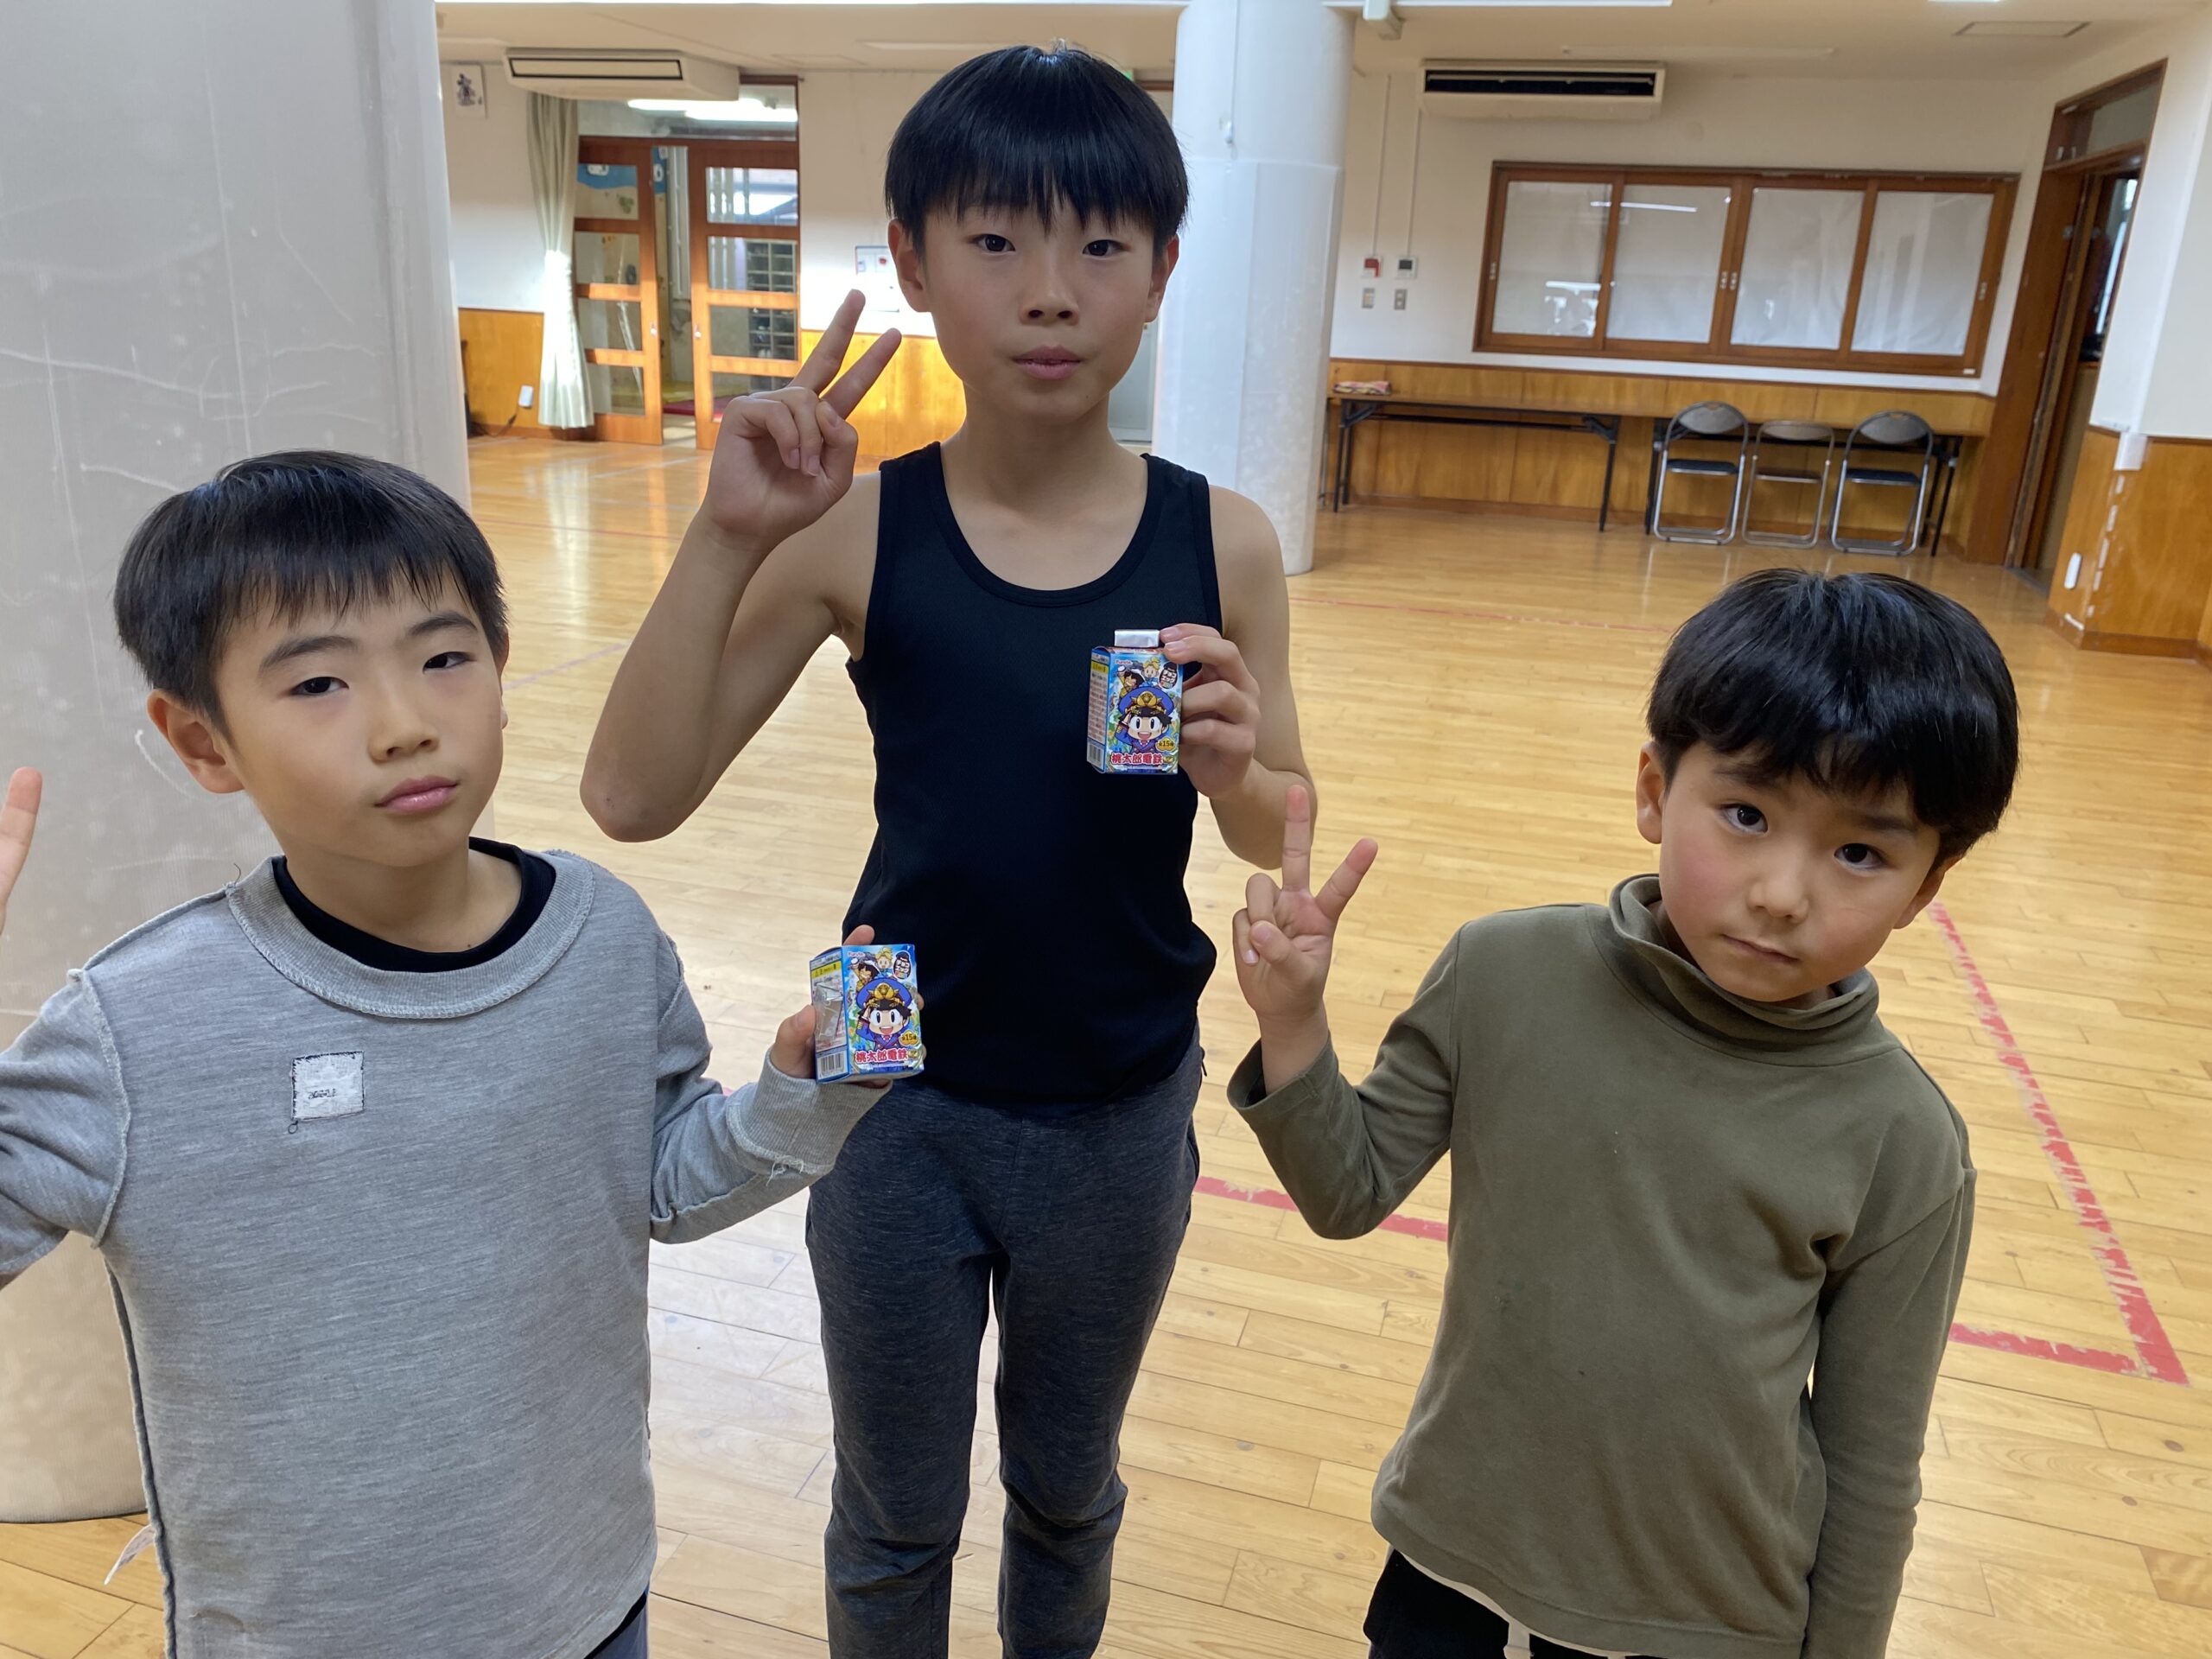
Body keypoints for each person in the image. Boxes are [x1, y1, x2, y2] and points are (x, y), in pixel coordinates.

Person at [581, 43, 1313, 1659]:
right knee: (893, 1508)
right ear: (913, 264)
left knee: (1066, 1490)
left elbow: (1278, 823)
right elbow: (632, 797)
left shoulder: (1222, 538)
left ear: (1162, 273)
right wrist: (727, 533)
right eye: (995, 240)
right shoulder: (857, 524)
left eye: (1100, 246)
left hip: (1119, 1080)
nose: (1050, 291)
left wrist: (1238, 764)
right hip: (881, 1064)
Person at [0, 452, 886, 1659]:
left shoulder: (602, 936)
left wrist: (803, 1097)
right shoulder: (136, 1026)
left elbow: (659, 1182)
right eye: (318, 682)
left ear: (502, 673)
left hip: (586, 1599)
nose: (405, 723)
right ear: (204, 741)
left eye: (444, 657)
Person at [1225, 569, 2020, 1659]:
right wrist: (1293, 1023)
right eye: (1746, 815)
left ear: (1926, 885)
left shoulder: (1905, 1140)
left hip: (1702, 1620)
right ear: (1654, 789)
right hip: (1454, 1561)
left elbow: (1873, 1464)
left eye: (1858, 853)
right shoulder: (1501, 973)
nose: (1782, 892)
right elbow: (1346, 1192)